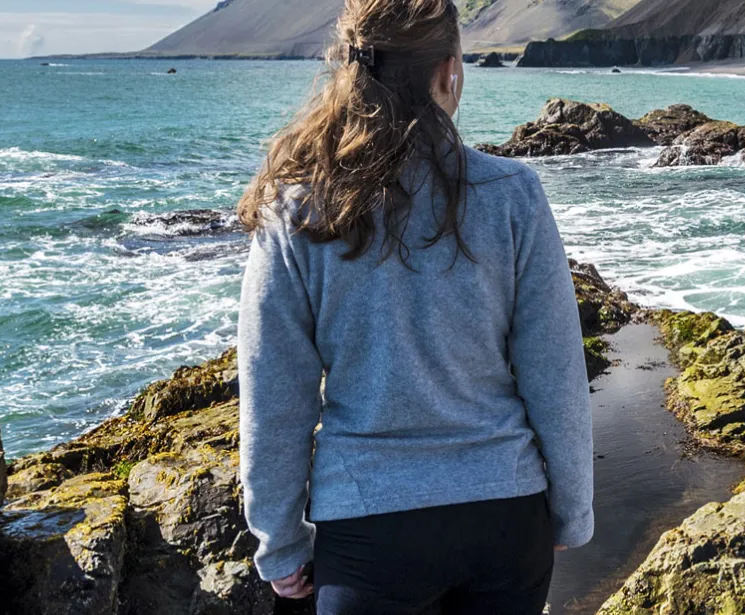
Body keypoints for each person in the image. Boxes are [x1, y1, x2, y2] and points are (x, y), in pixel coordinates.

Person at [233, 0, 594, 611]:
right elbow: (555, 370)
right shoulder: (512, 193)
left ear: (349, 67)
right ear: (449, 71)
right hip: (505, 515)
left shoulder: (296, 209)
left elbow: (274, 394)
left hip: (369, 529)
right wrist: (571, 510)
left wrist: (279, 539)